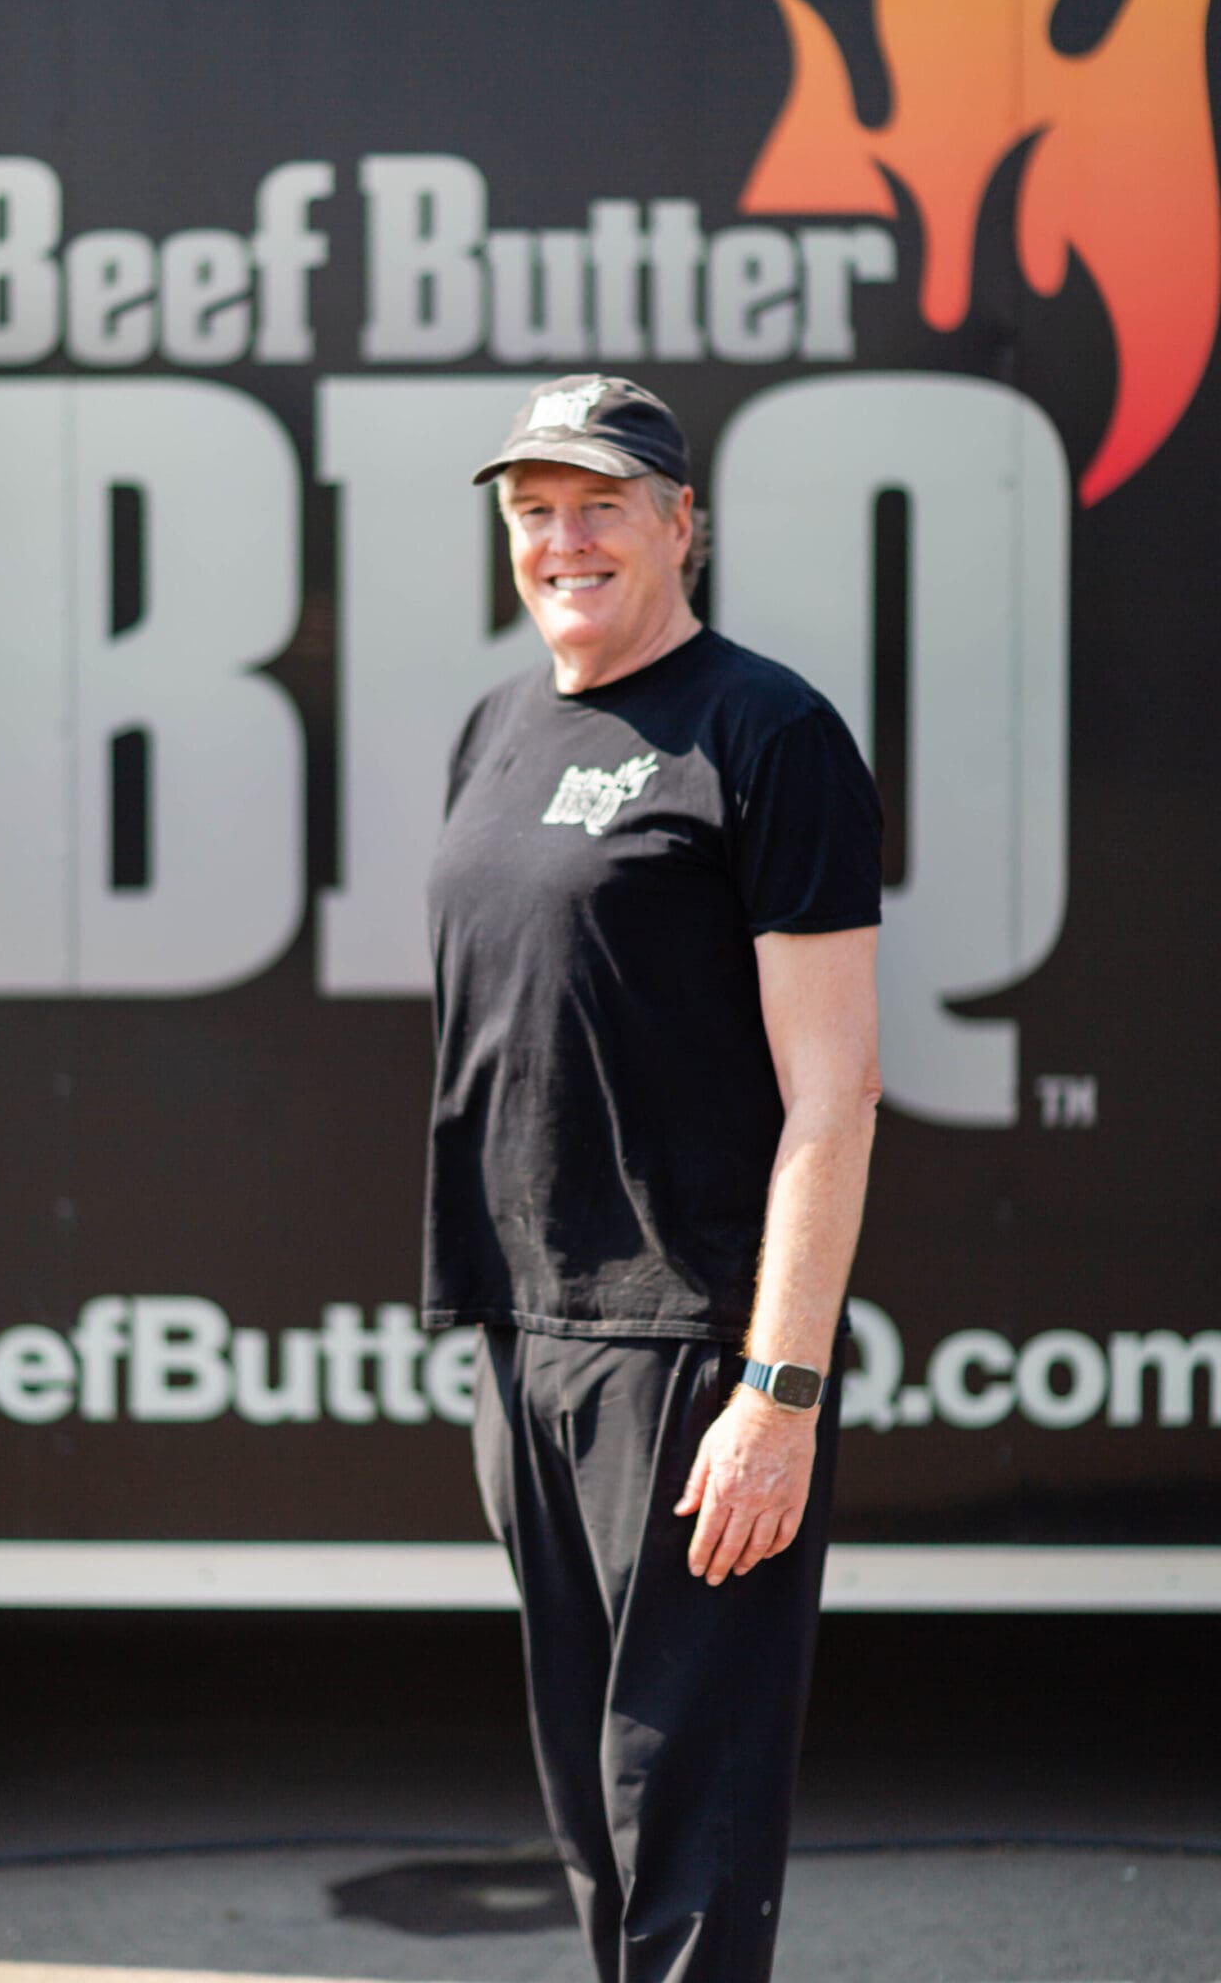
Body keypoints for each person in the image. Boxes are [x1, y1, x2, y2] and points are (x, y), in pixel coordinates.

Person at [423, 373, 882, 1983]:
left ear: (684, 523)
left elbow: (837, 1093)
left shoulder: (767, 731)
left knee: (684, 1813)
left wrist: (780, 1390)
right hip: (527, 1335)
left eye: (603, 502)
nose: (565, 539)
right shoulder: (495, 727)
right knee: (592, 1811)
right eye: (533, 510)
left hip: (693, 1350)